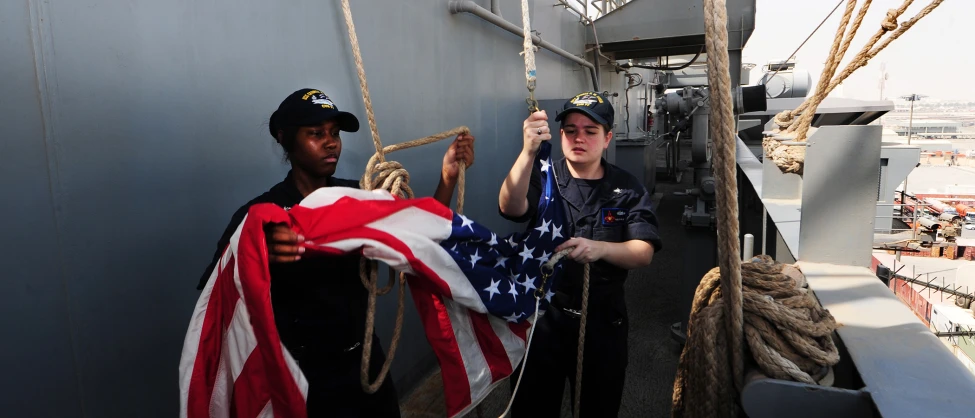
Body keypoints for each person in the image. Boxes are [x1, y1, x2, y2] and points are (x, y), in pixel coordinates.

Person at [196, 88, 475, 417]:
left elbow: (418, 242)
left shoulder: (358, 196)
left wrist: (447, 178)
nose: (331, 142)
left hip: (365, 366)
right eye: (316, 134)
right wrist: (259, 252)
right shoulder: (261, 215)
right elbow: (218, 292)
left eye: (334, 134)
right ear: (286, 139)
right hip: (304, 379)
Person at [498, 91, 662, 417]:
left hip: (602, 322)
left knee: (597, 408)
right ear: (560, 135)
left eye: (590, 131)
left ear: (607, 138)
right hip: (541, 320)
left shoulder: (627, 188)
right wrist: (527, 152)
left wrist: (599, 248)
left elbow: (643, 251)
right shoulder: (543, 175)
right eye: (571, 130)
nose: (579, 138)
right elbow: (510, 206)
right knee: (531, 407)